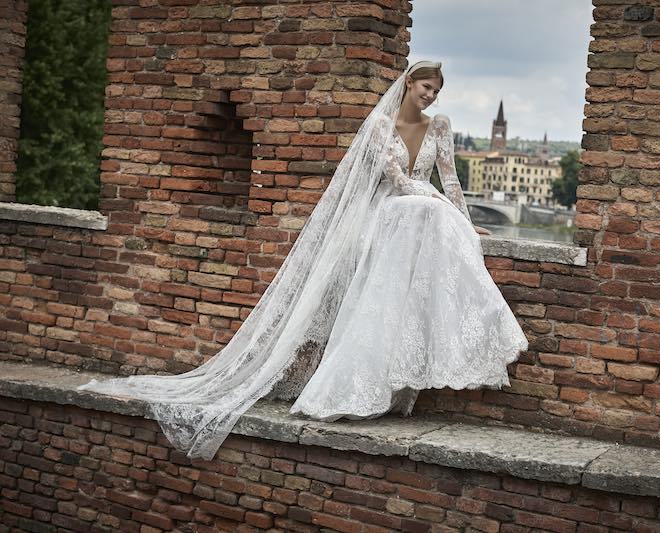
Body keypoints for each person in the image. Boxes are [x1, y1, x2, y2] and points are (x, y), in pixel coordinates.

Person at [78, 60, 528, 460]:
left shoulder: (441, 127)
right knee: (425, 210)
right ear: (408, 84)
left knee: (435, 221)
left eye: (437, 92)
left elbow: (448, 179)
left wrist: (465, 222)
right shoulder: (379, 127)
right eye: (425, 88)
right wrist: (436, 206)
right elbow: (395, 179)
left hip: (420, 210)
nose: (430, 96)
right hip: (389, 209)